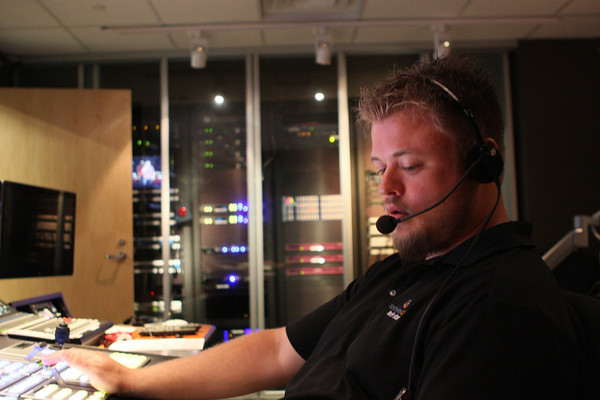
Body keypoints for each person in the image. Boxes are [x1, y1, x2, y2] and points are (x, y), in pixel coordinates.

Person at [43, 55, 585, 399]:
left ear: (483, 162)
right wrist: (129, 379)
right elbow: (277, 351)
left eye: (410, 166)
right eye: (380, 168)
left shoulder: (501, 308)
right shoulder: (402, 271)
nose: (386, 187)